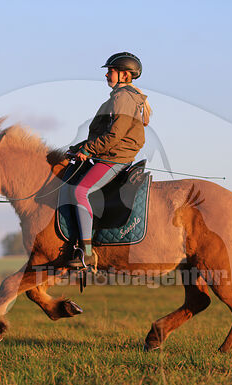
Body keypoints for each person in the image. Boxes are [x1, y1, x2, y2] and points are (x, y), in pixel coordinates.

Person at [65, 52, 152, 268]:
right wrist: (79, 148)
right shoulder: (120, 97)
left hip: (114, 160)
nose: (106, 74)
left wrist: (89, 149)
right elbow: (103, 133)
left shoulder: (123, 98)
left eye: (110, 71)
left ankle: (87, 252)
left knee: (79, 191)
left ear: (124, 75)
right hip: (108, 155)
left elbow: (115, 135)